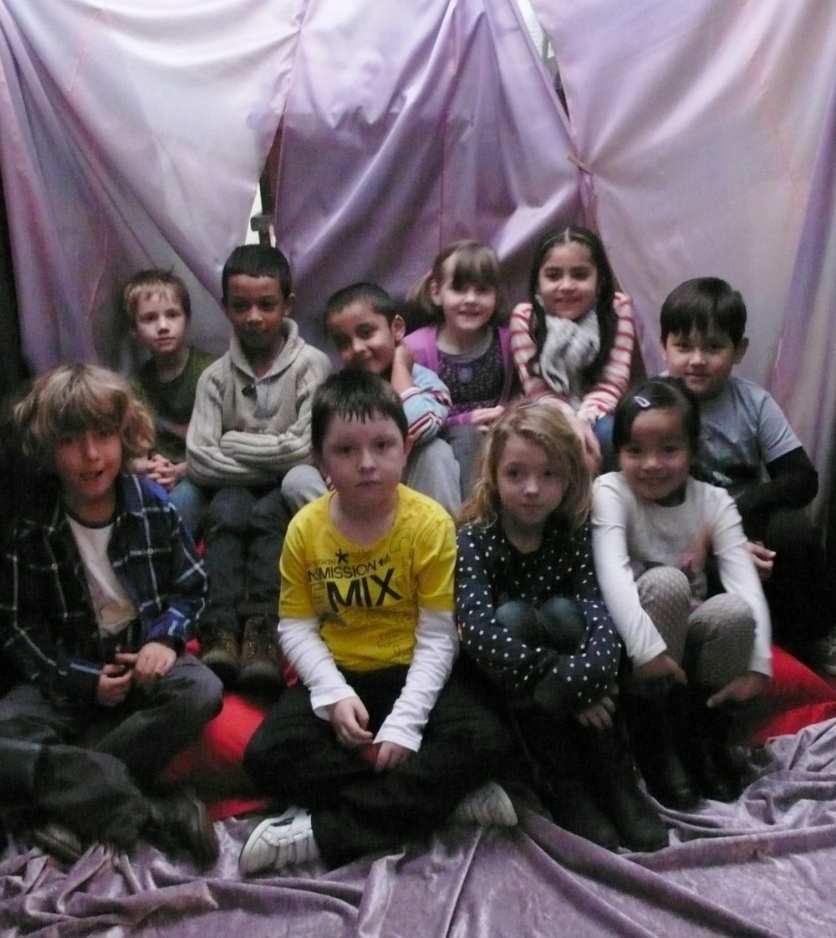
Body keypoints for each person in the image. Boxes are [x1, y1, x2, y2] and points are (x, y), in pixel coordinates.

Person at [238, 368, 516, 873]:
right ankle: (444, 798)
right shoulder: (304, 529)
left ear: (405, 448)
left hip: (415, 672)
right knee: (267, 756)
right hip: (342, 675)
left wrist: (407, 724)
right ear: (320, 459)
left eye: (382, 446)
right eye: (345, 450)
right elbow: (295, 627)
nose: (366, 464)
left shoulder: (430, 524)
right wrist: (333, 694)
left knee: (487, 740)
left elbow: (438, 637)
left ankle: (324, 834)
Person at [0, 364, 222, 866]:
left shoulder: (152, 506)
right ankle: (150, 811)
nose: (91, 455)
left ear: (124, 436)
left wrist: (164, 640)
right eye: (71, 441)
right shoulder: (32, 525)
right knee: (6, 727)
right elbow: (17, 627)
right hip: (68, 671)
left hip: (140, 656)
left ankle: (62, 800)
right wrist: (81, 679)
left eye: (103, 435)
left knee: (201, 690)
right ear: (48, 448)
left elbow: (192, 585)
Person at [456, 399, 667, 851]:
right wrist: (562, 682)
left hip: (579, 682)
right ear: (493, 474)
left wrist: (578, 682)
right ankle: (564, 782)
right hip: (517, 692)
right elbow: (477, 632)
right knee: (512, 617)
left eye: (548, 474)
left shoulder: (574, 532)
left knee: (567, 614)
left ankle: (615, 778)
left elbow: (602, 618)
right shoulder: (474, 538)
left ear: (570, 476)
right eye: (516, 474)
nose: (532, 489)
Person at [591, 378, 772, 809]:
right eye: (636, 450)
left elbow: (745, 582)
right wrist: (646, 651)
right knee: (667, 582)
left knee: (734, 610)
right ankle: (654, 743)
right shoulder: (611, 490)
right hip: (634, 654)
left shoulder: (714, 501)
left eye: (669, 450)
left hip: (689, 652)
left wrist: (758, 666)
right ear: (619, 452)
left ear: (693, 449)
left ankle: (703, 735)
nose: (652, 464)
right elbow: (612, 574)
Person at [660, 277, 834, 665]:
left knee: (794, 533)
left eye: (713, 347)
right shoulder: (651, 403)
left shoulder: (753, 403)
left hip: (746, 523)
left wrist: (741, 519)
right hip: (677, 526)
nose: (697, 360)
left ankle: (807, 643)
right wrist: (717, 540)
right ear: (663, 346)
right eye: (684, 346)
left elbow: (801, 477)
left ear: (739, 350)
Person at [186, 245, 331, 692]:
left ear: (287, 304)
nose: (254, 317)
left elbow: (305, 451)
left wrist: (232, 442)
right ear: (225, 307)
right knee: (225, 514)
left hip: (286, 489)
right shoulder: (214, 378)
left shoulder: (311, 366)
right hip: (232, 491)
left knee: (272, 517)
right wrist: (276, 453)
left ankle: (262, 635)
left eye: (267, 304)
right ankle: (219, 630)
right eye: (241, 305)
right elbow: (200, 460)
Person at [282, 282, 461, 515]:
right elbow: (326, 450)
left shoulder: (425, 381)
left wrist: (400, 368)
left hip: (410, 505)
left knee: (436, 452)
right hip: (352, 497)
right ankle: (345, 530)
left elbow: (421, 427)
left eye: (366, 333)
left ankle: (440, 533)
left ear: (397, 328)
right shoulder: (341, 392)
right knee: (297, 478)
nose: (357, 347)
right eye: (343, 342)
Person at [509, 226, 634, 474]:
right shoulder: (526, 318)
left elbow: (613, 382)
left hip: (601, 412)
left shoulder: (617, 309)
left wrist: (585, 421)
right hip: (547, 412)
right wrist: (570, 423)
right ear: (538, 283)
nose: (566, 286)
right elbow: (537, 389)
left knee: (608, 434)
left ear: (599, 281)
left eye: (580, 275)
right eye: (553, 276)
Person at [405, 239, 518, 497]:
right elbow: (412, 417)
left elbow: (527, 393)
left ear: (496, 295)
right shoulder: (414, 350)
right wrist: (463, 421)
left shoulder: (510, 341)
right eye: (458, 289)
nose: (471, 300)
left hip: (502, 439)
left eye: (482, 290)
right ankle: (472, 516)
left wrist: (507, 415)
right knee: (466, 438)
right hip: (441, 447)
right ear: (436, 292)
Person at [122, 269, 215, 535]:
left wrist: (181, 471)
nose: (162, 326)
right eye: (149, 318)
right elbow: (133, 453)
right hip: (156, 476)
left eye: (172, 315)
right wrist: (147, 467)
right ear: (134, 330)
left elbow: (223, 447)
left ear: (187, 320)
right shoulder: (135, 384)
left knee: (180, 503)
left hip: (199, 474)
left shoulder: (210, 373)